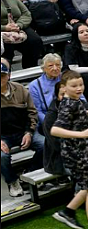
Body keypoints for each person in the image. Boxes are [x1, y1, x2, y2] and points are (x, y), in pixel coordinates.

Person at [48, 71, 88, 229]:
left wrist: (87, 113)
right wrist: (82, 134)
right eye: (74, 86)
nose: (79, 88)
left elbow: (72, 115)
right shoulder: (68, 104)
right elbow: (55, 130)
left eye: (81, 85)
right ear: (64, 88)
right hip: (76, 152)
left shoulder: (76, 102)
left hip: (84, 150)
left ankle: (68, 211)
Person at [1, 59, 45, 198]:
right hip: (2, 137)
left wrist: (29, 132)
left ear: (8, 75)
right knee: (1, 156)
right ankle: (12, 181)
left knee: (45, 144)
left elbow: (32, 113)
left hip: (22, 132)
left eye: (2, 75)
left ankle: (29, 172)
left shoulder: (20, 89)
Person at [1, 0, 43, 67]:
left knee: (35, 41)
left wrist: (19, 25)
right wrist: (5, 28)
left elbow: (26, 13)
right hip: (3, 30)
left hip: (18, 26)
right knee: (6, 48)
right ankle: (5, 76)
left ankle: (30, 70)